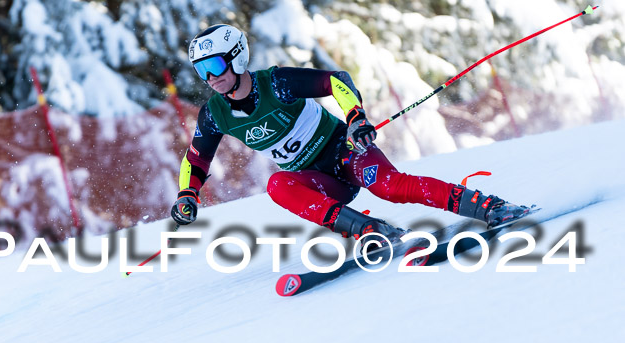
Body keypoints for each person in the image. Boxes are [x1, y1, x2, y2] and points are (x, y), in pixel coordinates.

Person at [171, 24, 529, 246]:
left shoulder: (276, 83)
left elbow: (336, 80)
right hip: (317, 179)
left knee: (390, 186)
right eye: (202, 70)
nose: (210, 77)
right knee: (278, 185)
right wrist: (188, 194)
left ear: (237, 58)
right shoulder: (215, 113)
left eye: (215, 65)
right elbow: (196, 158)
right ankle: (369, 231)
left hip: (346, 152)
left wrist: (356, 119)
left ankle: (487, 205)